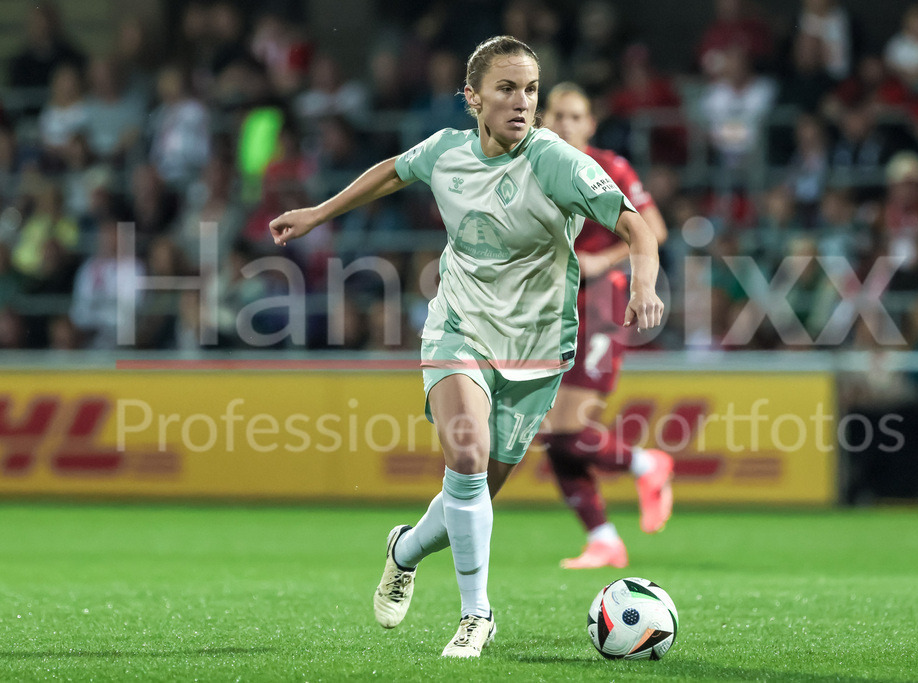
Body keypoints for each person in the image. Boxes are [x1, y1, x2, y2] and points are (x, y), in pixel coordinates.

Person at [268, 36, 664, 658]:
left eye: (530, 89)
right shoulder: (447, 151)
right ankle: (476, 616)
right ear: (472, 97)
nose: (522, 102)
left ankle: (403, 550)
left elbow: (637, 225)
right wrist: (319, 211)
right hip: (460, 327)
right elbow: (392, 173)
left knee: (471, 492)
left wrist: (642, 285)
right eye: (507, 89)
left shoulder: (556, 161)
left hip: (536, 348)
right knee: (468, 453)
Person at [539, 82, 672, 570]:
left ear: (590, 124)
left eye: (576, 116)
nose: (566, 124)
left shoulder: (609, 167)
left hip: (598, 302)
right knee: (549, 432)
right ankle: (604, 538)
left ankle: (646, 464)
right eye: (557, 114)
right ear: (541, 119)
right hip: (546, 308)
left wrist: (603, 261)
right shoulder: (530, 168)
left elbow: (653, 228)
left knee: (568, 429)